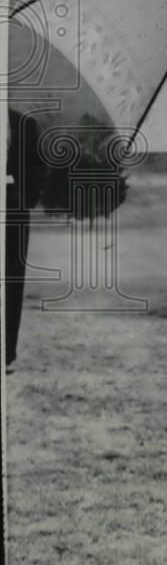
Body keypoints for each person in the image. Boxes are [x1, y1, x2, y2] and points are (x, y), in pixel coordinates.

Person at [4, 108, 47, 369]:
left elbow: (37, 168)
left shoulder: (23, 124)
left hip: (13, 214)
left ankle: (5, 352)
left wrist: (23, 197)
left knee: (11, 282)